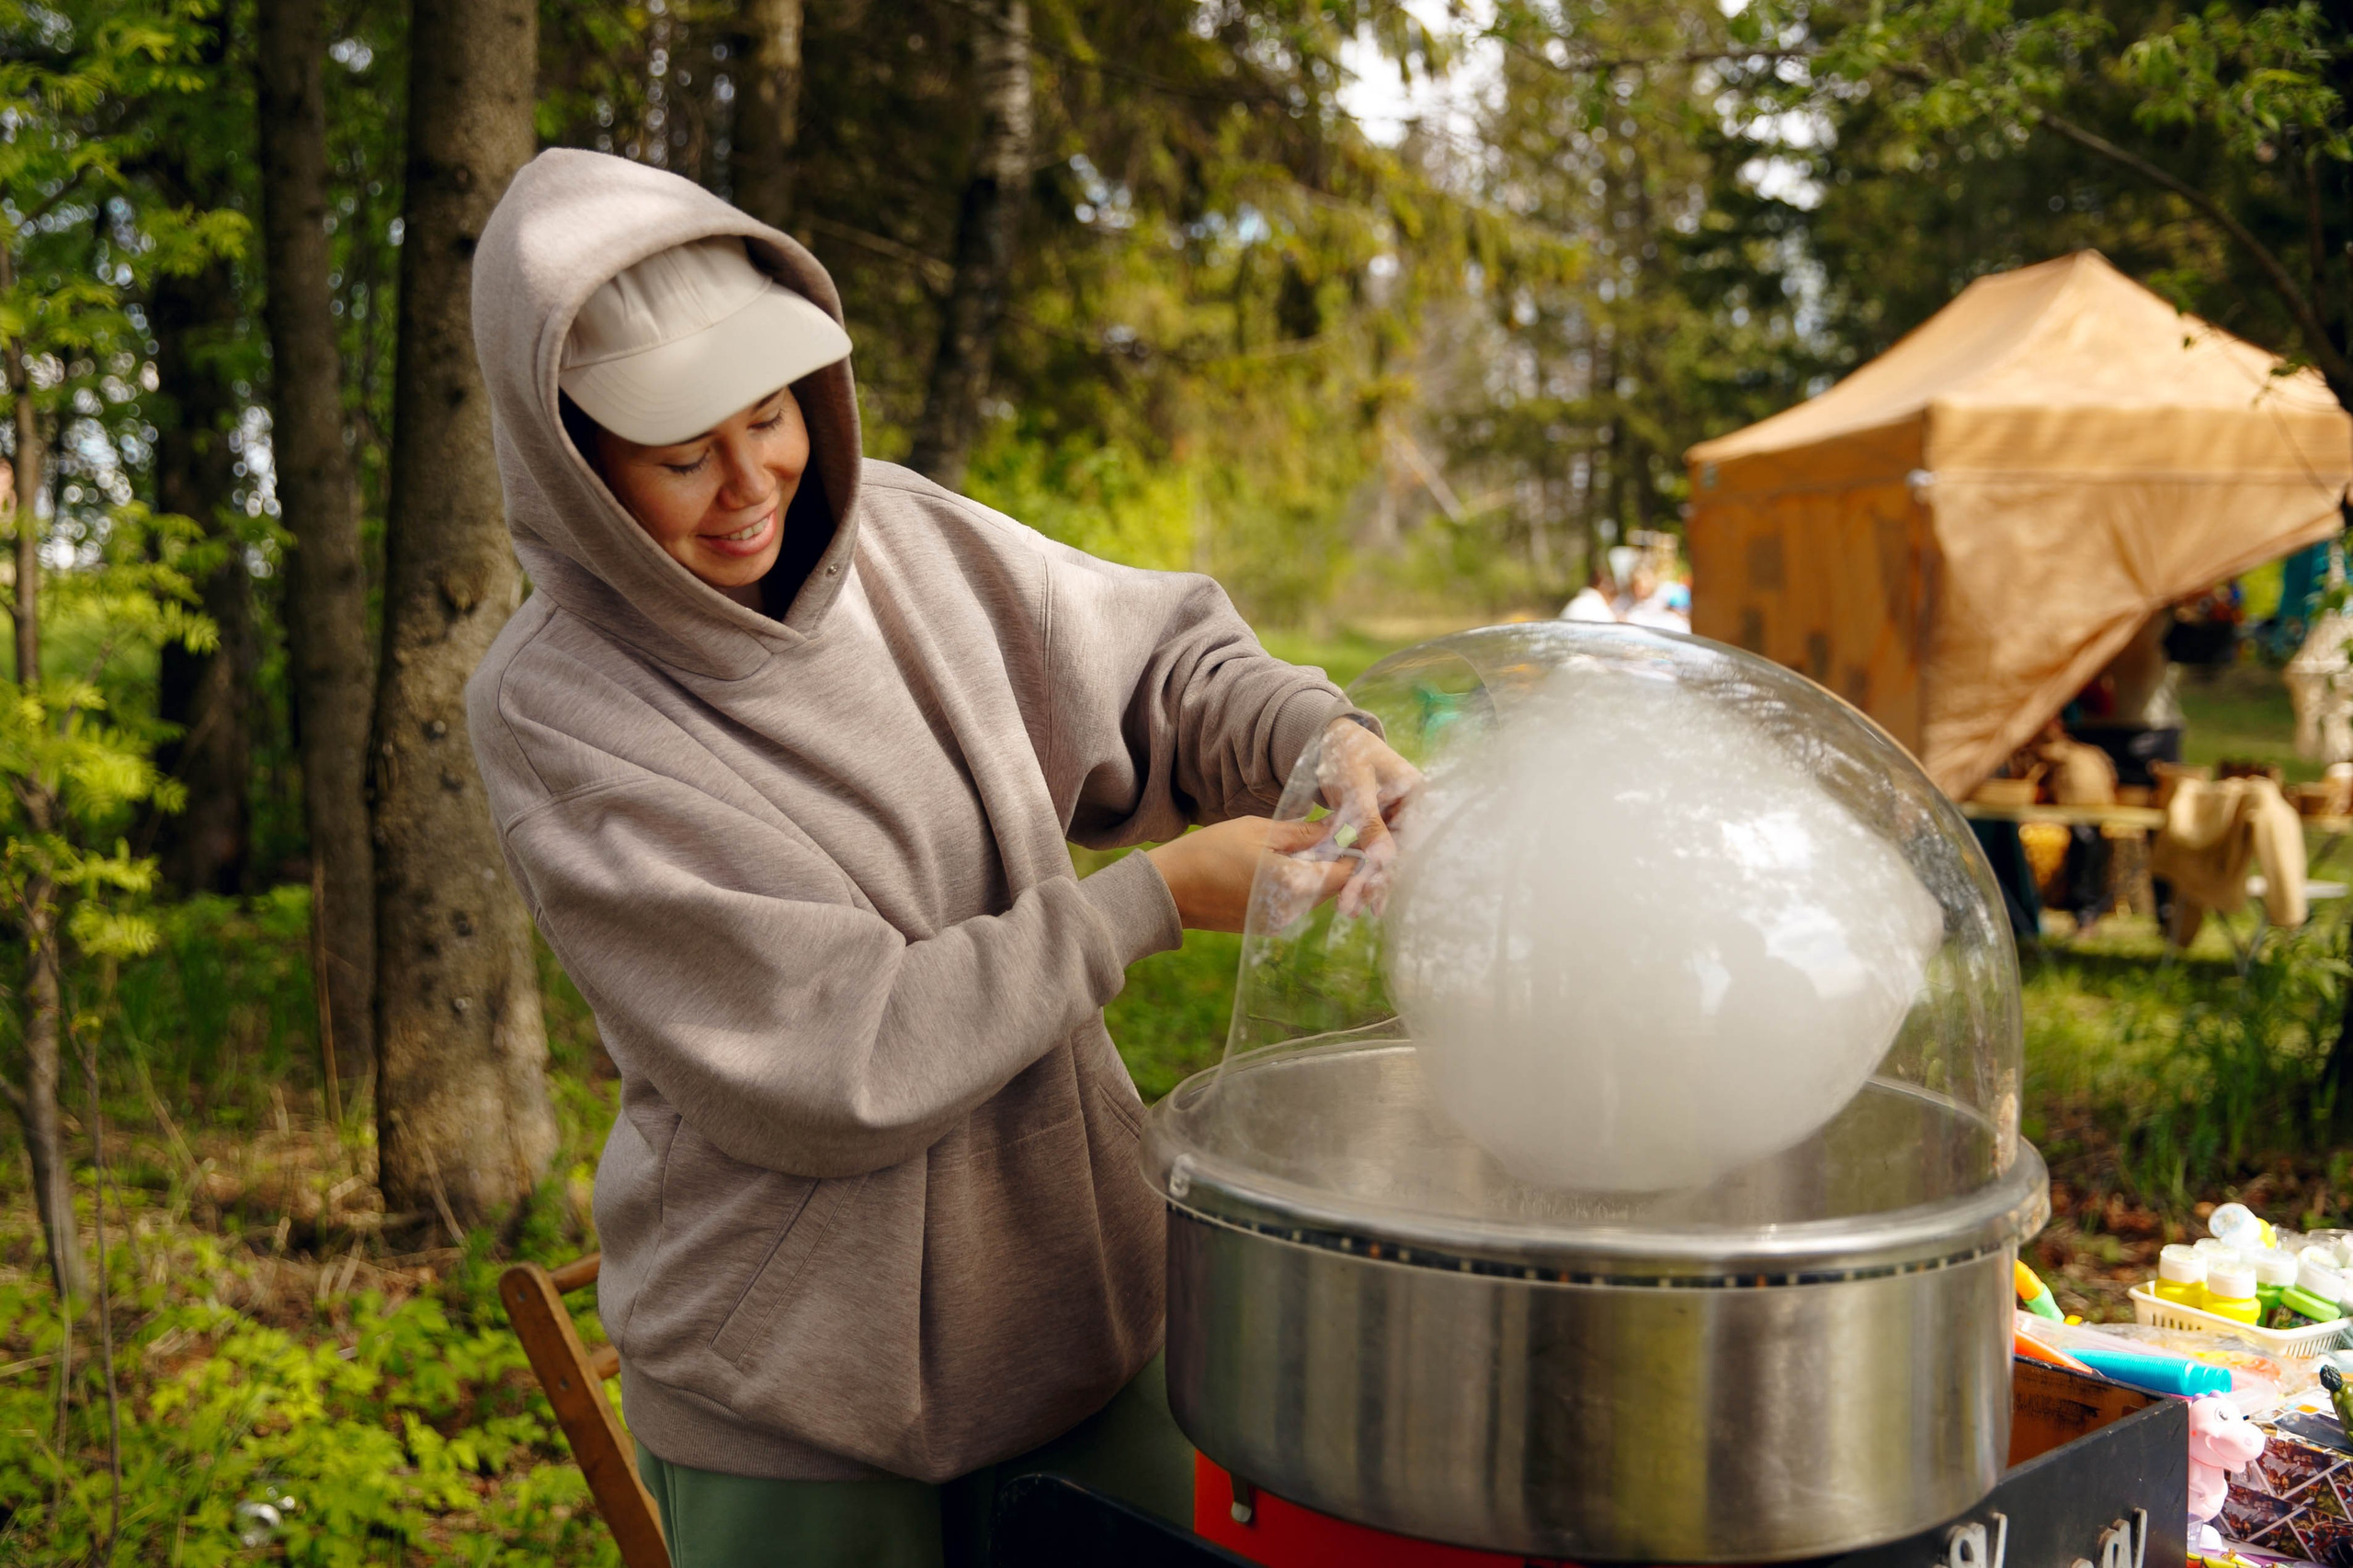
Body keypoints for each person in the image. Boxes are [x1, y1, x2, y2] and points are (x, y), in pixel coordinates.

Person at [463, 150, 1418, 1567]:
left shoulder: (903, 537)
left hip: (1078, 1309)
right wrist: (1149, 902)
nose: (749, 485)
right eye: (680, 456)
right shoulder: (561, 709)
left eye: (774, 414)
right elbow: (835, 1053)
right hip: (801, 1404)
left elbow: (1164, 664)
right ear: (570, 456)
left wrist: (1311, 733)